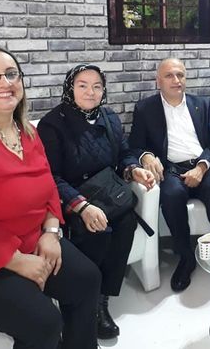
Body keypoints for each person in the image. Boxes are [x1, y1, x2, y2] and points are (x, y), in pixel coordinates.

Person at [0, 45, 101, 349]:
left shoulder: (27, 131)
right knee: (44, 322)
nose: (4, 82)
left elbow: (48, 187)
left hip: (31, 239)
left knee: (87, 279)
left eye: (11, 74)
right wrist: (17, 261)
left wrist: (51, 233)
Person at [37, 64, 155, 340]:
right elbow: (50, 176)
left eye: (97, 86)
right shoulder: (52, 125)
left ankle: (102, 300)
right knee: (98, 231)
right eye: (82, 85)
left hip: (106, 192)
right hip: (71, 197)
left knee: (126, 221)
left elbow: (123, 155)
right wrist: (82, 206)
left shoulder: (109, 117)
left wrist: (133, 170)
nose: (90, 92)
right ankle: (82, 300)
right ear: (70, 88)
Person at [128, 58, 210, 292]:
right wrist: (146, 156)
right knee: (171, 195)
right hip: (171, 169)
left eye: (180, 75)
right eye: (169, 76)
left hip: (204, 165)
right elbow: (135, 145)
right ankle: (186, 258)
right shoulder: (145, 109)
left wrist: (202, 167)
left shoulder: (203, 104)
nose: (176, 80)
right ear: (158, 81)